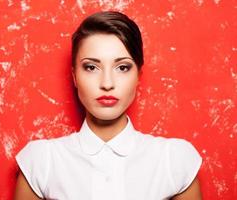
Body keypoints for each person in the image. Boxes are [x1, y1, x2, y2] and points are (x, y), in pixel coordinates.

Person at [14, 11, 202, 200]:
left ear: (138, 76)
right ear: (74, 76)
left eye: (122, 67)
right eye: (91, 67)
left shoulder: (174, 160)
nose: (107, 83)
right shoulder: (41, 161)